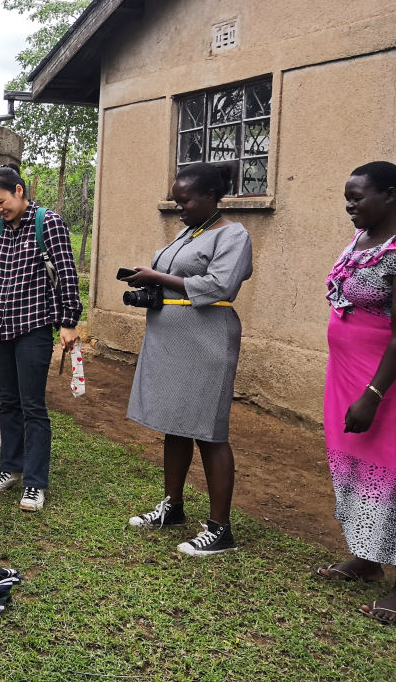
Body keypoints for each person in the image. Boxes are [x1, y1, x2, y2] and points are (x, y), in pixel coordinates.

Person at [123, 162, 253, 556]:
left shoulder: (234, 234)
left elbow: (220, 285)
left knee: (210, 432)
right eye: (175, 200)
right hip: (172, 336)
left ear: (212, 197)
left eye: (185, 200)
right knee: (175, 423)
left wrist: (158, 278)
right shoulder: (190, 231)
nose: (178, 206)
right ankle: (172, 508)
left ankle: (220, 529)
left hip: (206, 338)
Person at [0, 164, 82, 512]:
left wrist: (69, 321)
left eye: (1, 202)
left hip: (34, 327)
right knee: (9, 403)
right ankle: (10, 469)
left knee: (33, 406)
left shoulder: (49, 223)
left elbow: (66, 273)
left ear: (18, 190)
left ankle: (34, 483)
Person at [314, 161, 396, 626]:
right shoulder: (363, 240)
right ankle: (366, 557)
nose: (350, 205)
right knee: (355, 466)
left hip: (381, 381)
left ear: (389, 195)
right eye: (347, 196)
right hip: (346, 373)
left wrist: (373, 393)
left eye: (357, 197)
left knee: (391, 472)